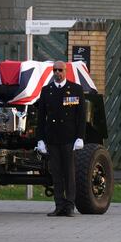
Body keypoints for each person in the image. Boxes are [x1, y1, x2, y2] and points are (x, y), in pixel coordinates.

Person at [36, 60, 86, 217]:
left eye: (60, 70)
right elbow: (41, 118)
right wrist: (40, 139)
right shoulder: (46, 90)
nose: (57, 73)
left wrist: (80, 137)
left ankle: (70, 205)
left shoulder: (76, 89)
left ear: (66, 71)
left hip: (69, 138)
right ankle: (59, 205)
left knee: (69, 173)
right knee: (56, 173)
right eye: (55, 70)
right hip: (52, 138)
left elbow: (81, 116)